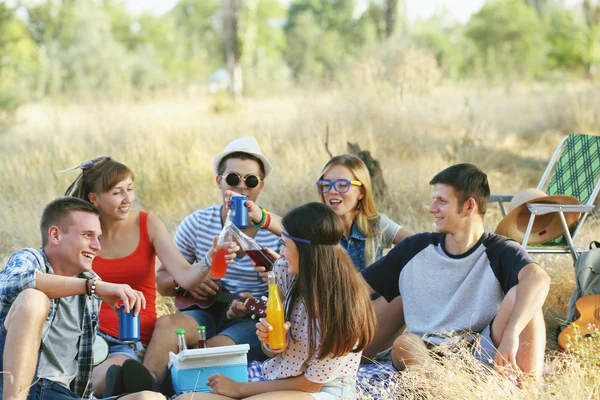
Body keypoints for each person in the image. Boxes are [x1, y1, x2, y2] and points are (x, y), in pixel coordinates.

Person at [63, 156, 237, 396]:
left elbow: (185, 277)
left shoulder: (148, 224)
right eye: (117, 192)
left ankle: (135, 386)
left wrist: (209, 258)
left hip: (130, 339)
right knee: (83, 375)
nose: (127, 199)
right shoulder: (81, 231)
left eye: (130, 189)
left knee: (119, 370)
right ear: (94, 199)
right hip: (87, 335)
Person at [362, 163, 550, 381]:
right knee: (405, 343)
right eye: (433, 200)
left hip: (480, 352)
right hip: (425, 355)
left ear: (469, 207)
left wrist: (511, 334)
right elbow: (357, 287)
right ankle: (447, 389)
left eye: (441, 201)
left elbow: (539, 278)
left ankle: (528, 391)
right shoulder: (414, 248)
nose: (432, 208)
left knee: (526, 296)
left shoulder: (499, 251)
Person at [176, 202, 377, 399]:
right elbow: (273, 349)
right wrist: (271, 343)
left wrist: (239, 389)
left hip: (324, 389)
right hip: (281, 377)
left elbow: (312, 384)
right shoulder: (285, 272)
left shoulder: (342, 307)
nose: (280, 253)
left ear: (306, 251)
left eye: (285, 245)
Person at [241, 153, 412, 359]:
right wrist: (264, 223)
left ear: (361, 191)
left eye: (342, 185)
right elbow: (290, 231)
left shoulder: (376, 225)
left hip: (370, 318)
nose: (332, 192)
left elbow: (415, 244)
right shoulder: (315, 227)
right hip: (329, 322)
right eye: (326, 185)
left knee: (407, 287)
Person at [142, 136, 280, 388]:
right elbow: (161, 281)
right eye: (232, 179)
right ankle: (142, 390)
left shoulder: (275, 229)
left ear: (260, 186)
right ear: (218, 181)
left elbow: (296, 289)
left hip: (252, 319)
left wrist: (265, 290)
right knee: (167, 326)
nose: (241, 187)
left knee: (214, 351)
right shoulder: (196, 223)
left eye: (250, 180)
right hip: (203, 311)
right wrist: (189, 280)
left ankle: (177, 389)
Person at [0, 197, 163, 400]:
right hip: (13, 385)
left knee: (150, 398)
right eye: (87, 235)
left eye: (98, 237)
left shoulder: (90, 284)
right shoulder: (32, 259)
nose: (96, 246)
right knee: (33, 299)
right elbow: (8, 283)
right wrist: (92, 287)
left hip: (59, 392)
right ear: (55, 235)